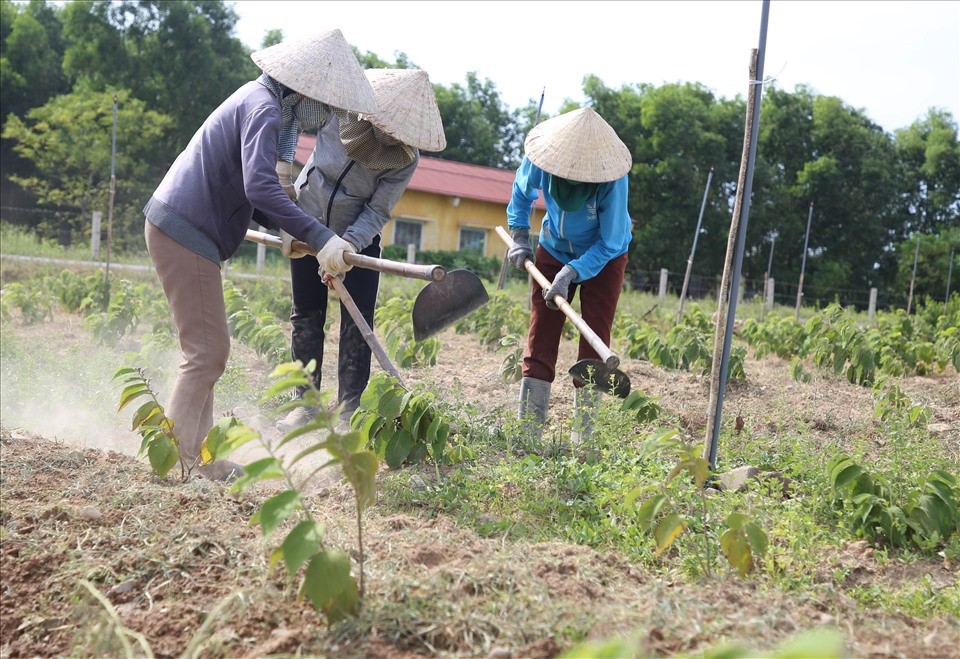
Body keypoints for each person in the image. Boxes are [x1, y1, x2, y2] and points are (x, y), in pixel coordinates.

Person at [141, 30, 378, 480]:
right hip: (184, 228)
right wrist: (320, 235)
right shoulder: (265, 108)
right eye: (325, 105)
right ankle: (172, 462)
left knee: (207, 351)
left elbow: (255, 189)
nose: (324, 116)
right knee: (207, 352)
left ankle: (198, 460)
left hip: (188, 228)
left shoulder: (260, 100)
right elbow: (259, 186)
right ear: (304, 93)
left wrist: (290, 231)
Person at [274, 68, 447, 433]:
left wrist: (346, 247)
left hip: (358, 239)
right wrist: (283, 182)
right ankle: (304, 406)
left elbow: (378, 209)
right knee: (306, 315)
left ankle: (350, 410)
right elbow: (288, 116)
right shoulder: (339, 111)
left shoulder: (405, 158)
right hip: (308, 219)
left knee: (358, 322)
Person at [504, 106, 633, 445]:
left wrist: (574, 271)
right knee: (541, 331)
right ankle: (528, 432)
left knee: (594, 335)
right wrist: (519, 235)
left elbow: (612, 241)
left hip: (604, 258)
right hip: (553, 248)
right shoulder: (544, 159)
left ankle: (583, 438)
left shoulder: (612, 179)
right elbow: (521, 194)